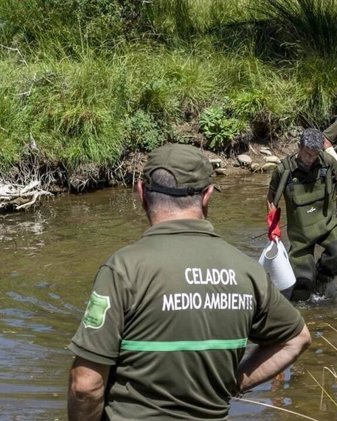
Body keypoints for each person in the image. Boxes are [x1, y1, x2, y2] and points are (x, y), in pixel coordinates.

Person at [67, 143, 311, 420]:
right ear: (207, 195)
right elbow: (296, 338)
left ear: (140, 193)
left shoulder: (123, 269)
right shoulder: (247, 271)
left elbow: (85, 386)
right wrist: (231, 384)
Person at [266, 128, 337, 301]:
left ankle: (321, 284)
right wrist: (273, 225)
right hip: (301, 234)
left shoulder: (328, 163)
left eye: (315, 154)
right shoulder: (283, 170)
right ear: (299, 147)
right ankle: (306, 301)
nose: (311, 159)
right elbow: (271, 199)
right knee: (302, 288)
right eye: (307, 154)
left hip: (327, 224)